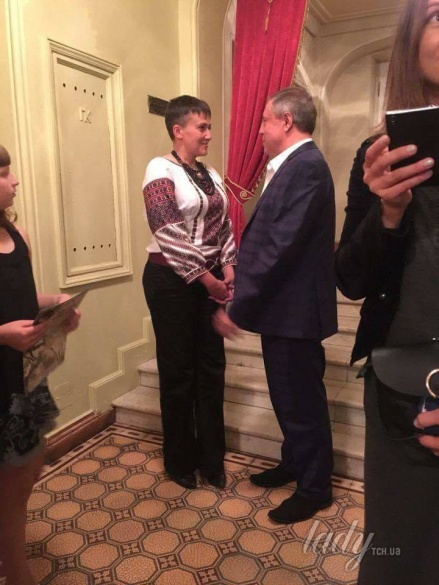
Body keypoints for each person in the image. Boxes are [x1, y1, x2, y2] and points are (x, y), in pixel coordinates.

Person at [335, 1, 439, 582]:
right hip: (402, 386)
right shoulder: (377, 154)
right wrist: (389, 211)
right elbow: (351, 280)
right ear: (410, 38)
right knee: (393, 558)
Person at [214, 86, 337, 523]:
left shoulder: (306, 166)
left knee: (302, 402)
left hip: (295, 312)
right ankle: (295, 462)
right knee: (289, 398)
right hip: (284, 310)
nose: (260, 130)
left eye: (264, 121)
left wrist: (237, 305)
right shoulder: (293, 165)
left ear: (286, 121)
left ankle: (315, 488)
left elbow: (280, 246)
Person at [142, 95, 237, 491]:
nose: (209, 134)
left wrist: (228, 266)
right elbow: (167, 230)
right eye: (203, 127)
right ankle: (179, 459)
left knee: (211, 368)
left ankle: (212, 458)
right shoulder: (159, 168)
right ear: (178, 130)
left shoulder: (210, 173)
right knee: (178, 371)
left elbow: (224, 224)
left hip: (209, 278)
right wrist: (207, 278)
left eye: (209, 126)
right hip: (170, 283)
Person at [0, 145, 81, 585]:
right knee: (13, 486)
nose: (14, 181)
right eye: (4, 173)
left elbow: (24, 298)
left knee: (28, 469)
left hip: (25, 378)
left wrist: (56, 306)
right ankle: (18, 574)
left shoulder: (19, 236)